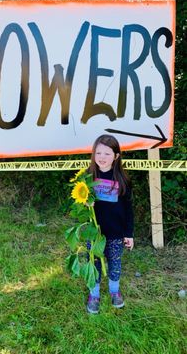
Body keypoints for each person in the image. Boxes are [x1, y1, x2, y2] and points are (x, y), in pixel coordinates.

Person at [86, 134, 134, 315]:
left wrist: (128, 234)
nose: (102, 157)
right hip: (94, 233)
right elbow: (78, 202)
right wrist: (85, 203)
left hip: (116, 233)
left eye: (107, 153)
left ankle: (115, 291)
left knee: (115, 263)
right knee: (95, 262)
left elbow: (129, 210)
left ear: (116, 156)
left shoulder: (123, 180)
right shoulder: (88, 177)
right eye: (98, 152)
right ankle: (94, 294)